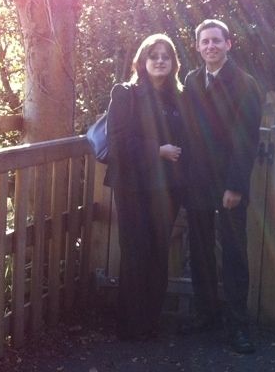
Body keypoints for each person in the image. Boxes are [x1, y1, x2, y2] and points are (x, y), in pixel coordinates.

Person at [181, 19, 262, 354]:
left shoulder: (245, 84)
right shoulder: (191, 80)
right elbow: (186, 130)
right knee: (200, 252)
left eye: (216, 40)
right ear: (198, 47)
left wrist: (235, 186)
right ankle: (206, 315)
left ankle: (238, 326)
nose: (210, 46)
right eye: (205, 41)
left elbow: (247, 139)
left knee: (234, 255)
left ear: (229, 44)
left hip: (229, 185)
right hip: (197, 181)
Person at [104, 33, 190, 341]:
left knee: (158, 252)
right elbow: (117, 142)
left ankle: (150, 322)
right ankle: (129, 324)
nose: (160, 61)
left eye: (166, 56)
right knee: (135, 250)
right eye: (154, 56)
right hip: (132, 187)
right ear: (143, 60)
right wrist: (158, 150)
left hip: (167, 189)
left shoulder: (179, 97)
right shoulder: (125, 94)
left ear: (173, 63)